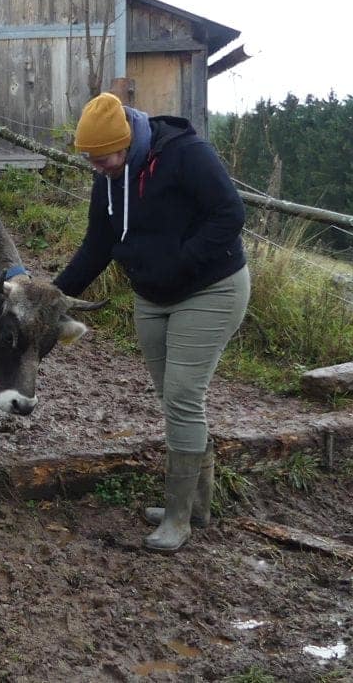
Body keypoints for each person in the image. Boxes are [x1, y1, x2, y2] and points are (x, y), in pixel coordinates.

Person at [54, 92, 250, 552]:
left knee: (183, 396)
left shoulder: (186, 155)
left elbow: (230, 214)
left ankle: (178, 519)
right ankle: (196, 505)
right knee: (172, 398)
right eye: (90, 160)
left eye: (103, 158)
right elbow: (97, 245)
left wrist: (180, 263)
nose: (97, 167)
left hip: (210, 289)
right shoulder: (108, 178)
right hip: (152, 297)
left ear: (127, 143)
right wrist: (54, 296)